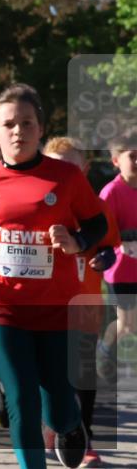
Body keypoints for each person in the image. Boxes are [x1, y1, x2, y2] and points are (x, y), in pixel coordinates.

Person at [0, 84, 108, 469]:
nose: (18, 131)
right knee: (22, 399)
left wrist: (76, 241)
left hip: (56, 307)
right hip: (2, 306)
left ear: (40, 129)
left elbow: (97, 223)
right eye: (9, 124)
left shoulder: (67, 177)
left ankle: (70, 426)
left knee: (56, 402)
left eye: (27, 123)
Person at [42, 136, 118, 467]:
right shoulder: (38, 203)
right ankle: (46, 424)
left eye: (70, 167)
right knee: (44, 371)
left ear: (84, 169)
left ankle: (83, 441)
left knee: (83, 374)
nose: (64, 174)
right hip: (42, 304)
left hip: (85, 302)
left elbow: (110, 246)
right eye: (56, 167)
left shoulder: (98, 207)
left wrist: (103, 258)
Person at [96, 135, 137, 384]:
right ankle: (104, 349)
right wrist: (127, 235)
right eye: (132, 156)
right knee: (126, 324)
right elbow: (102, 231)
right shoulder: (111, 192)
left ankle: (109, 350)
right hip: (119, 270)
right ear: (115, 161)